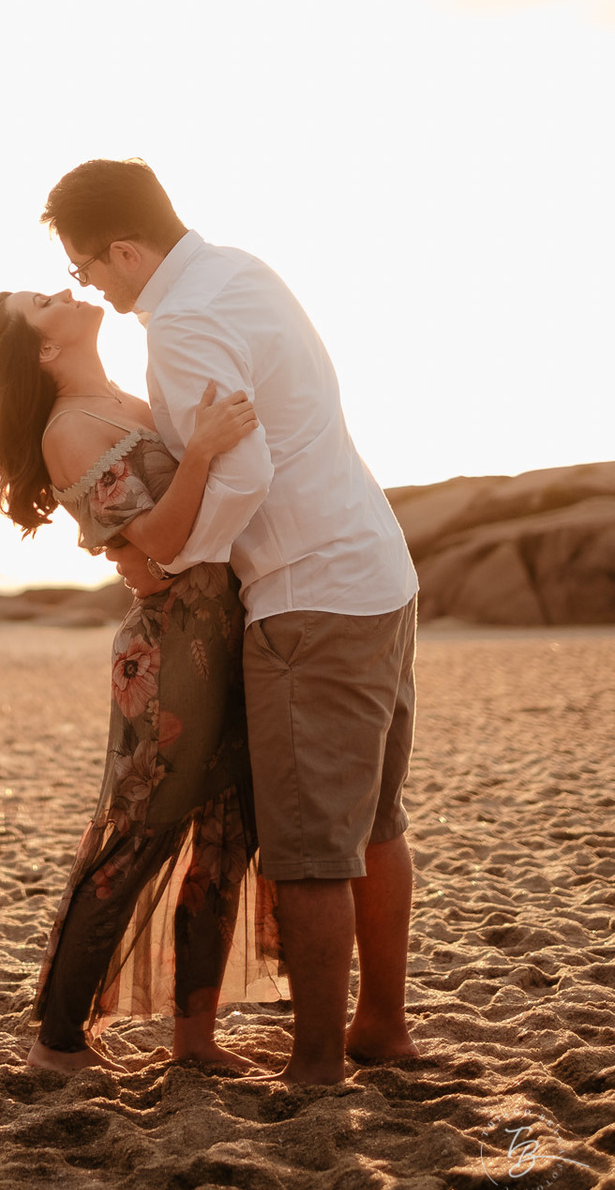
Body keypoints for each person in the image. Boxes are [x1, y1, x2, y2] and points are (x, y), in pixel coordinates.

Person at [40, 158, 420, 1085]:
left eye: (89, 266)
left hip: (308, 595)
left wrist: (172, 557)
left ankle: (319, 1068)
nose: (87, 284)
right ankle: (381, 1027)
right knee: (373, 824)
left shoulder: (181, 323)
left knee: (311, 849)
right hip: (375, 569)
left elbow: (243, 472)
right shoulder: (238, 271)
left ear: (126, 250)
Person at [0, 285, 283, 1076]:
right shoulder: (71, 431)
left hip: (227, 628)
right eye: (42, 303)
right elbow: (167, 540)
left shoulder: (122, 398)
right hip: (171, 646)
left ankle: (195, 1038)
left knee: (225, 834)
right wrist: (205, 448)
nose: (62, 290)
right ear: (45, 351)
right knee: (138, 836)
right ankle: (60, 1043)